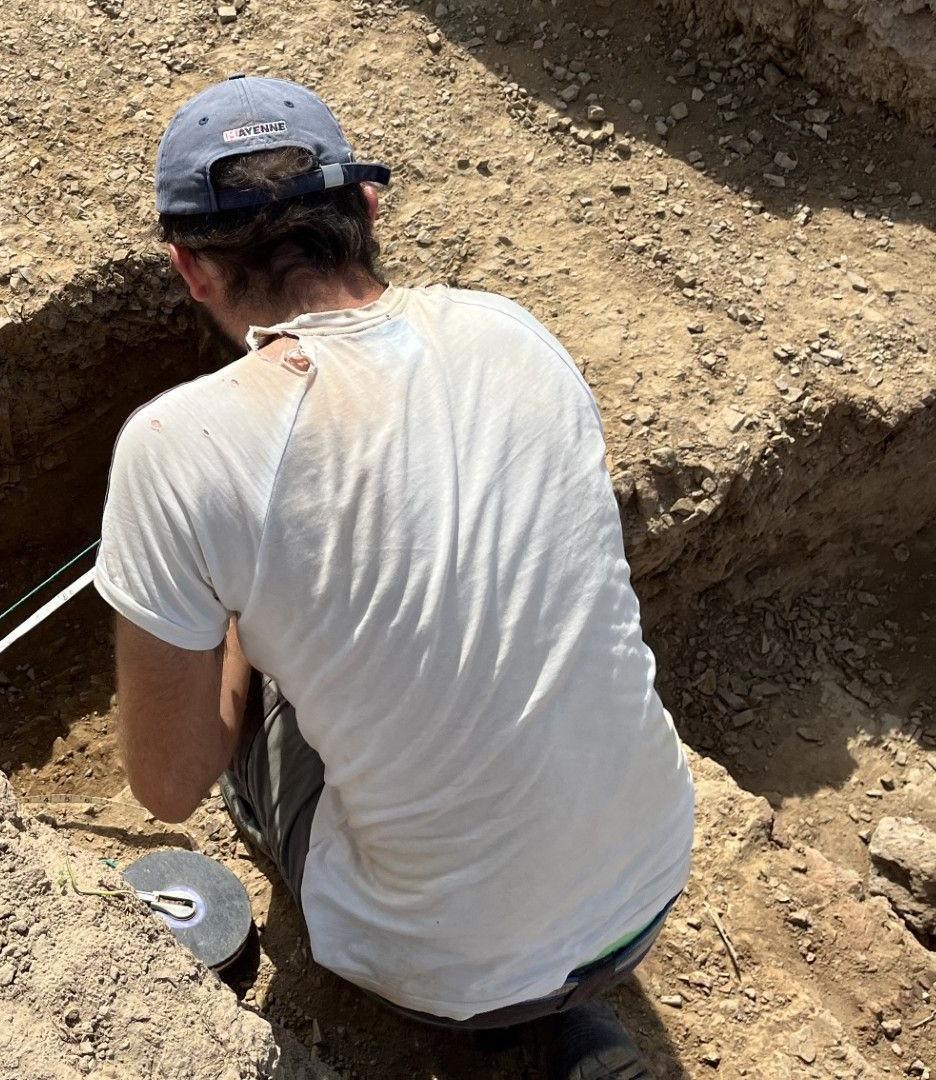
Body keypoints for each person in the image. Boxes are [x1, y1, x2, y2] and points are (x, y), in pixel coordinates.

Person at [95, 75, 696, 1079]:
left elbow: (167, 784)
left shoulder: (176, 446)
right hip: (652, 874)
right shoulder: (513, 332)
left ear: (191, 270)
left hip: (447, 972)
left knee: (261, 703)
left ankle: (511, 1029)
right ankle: (573, 1024)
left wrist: (235, 620)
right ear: (367, 212)